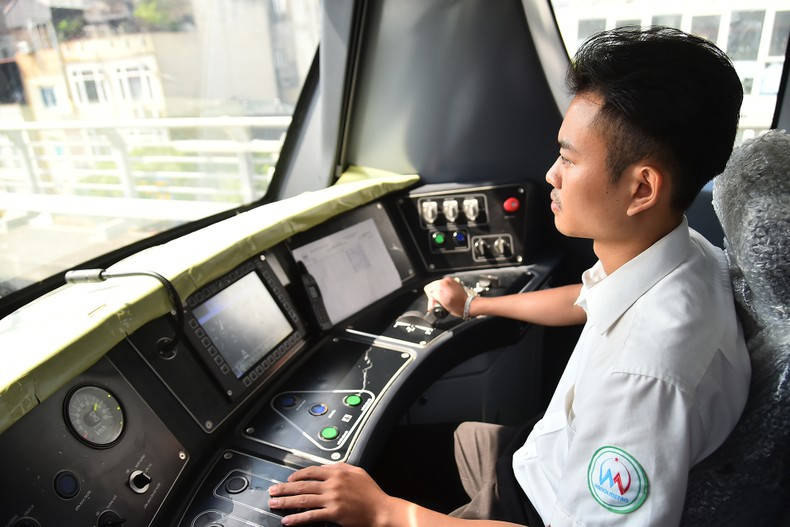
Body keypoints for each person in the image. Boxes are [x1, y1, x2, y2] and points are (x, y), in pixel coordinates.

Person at [267, 26, 751, 527]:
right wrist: (475, 305)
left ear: (641, 189)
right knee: (385, 453)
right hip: (538, 456)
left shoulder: (645, 377)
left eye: (568, 158)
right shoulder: (686, 252)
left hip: (535, 509)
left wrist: (384, 512)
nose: (551, 175)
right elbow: (586, 299)